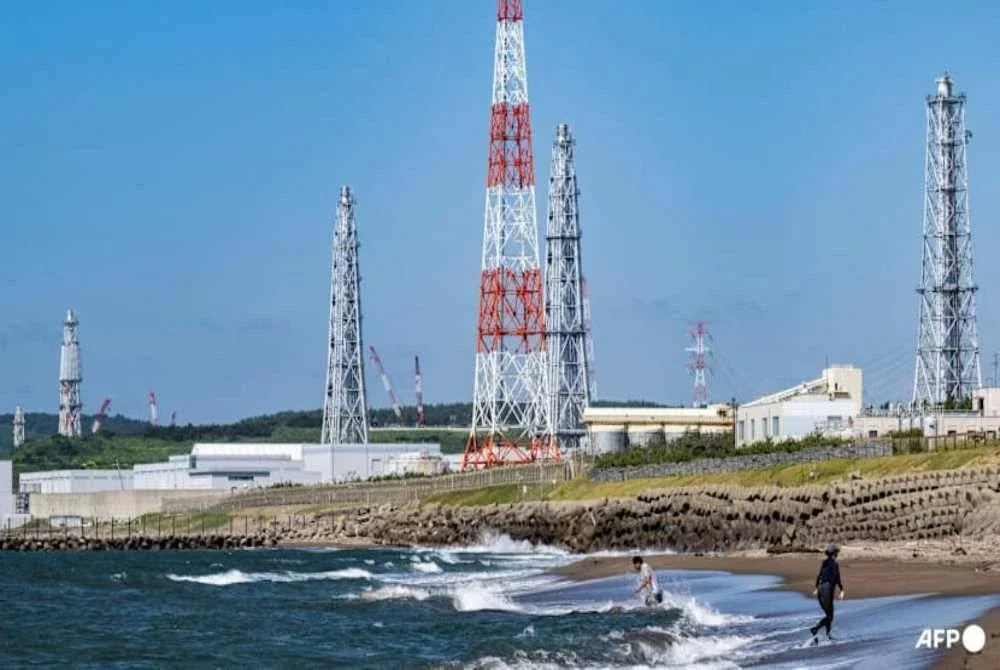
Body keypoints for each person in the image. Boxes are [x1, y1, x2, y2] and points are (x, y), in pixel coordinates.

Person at [810, 543, 846, 642]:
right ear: (834, 553)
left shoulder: (824, 562)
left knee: (829, 615)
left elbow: (819, 575)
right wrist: (842, 590)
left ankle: (828, 635)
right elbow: (836, 577)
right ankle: (816, 629)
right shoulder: (834, 563)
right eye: (837, 552)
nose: (838, 554)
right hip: (827, 589)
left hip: (820, 588)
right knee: (830, 616)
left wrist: (817, 588)